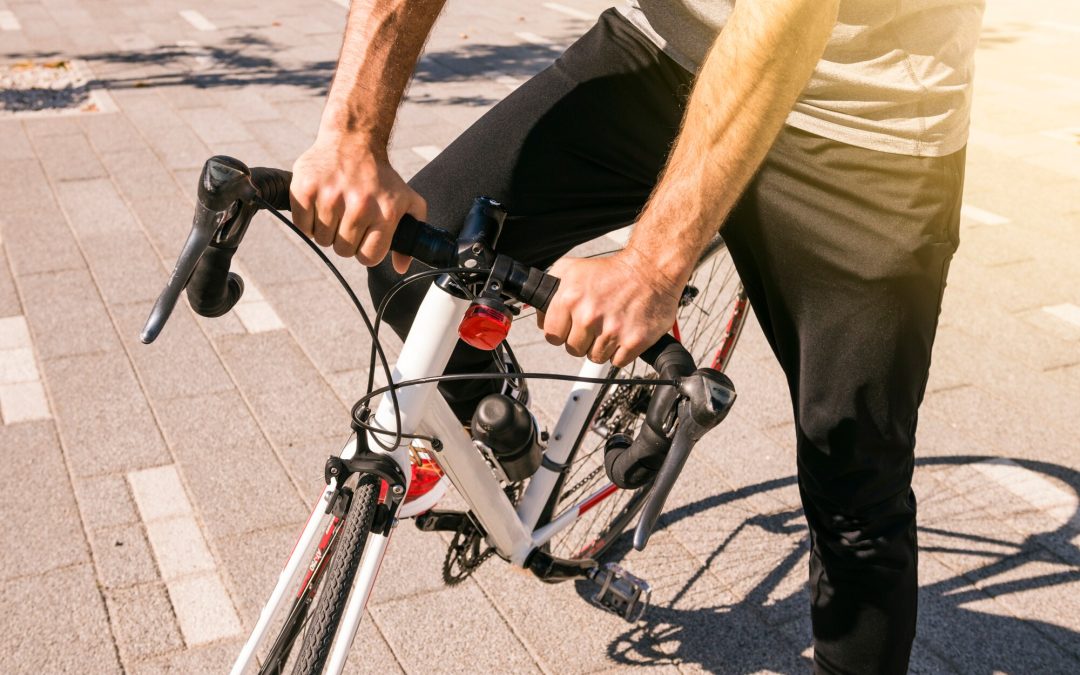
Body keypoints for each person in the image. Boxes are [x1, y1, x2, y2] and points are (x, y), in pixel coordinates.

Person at [289, 0, 984, 671]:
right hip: (675, 50)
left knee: (855, 490)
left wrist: (652, 265)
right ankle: (496, 417)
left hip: (865, 120)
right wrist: (354, 129)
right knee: (414, 264)